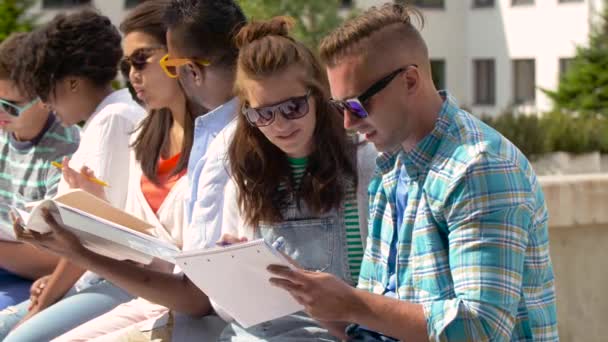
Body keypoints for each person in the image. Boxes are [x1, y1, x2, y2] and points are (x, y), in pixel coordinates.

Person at [266, 3, 559, 341]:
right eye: (340, 107)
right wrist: (302, 288)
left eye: (358, 105)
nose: (348, 122)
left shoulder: (478, 167)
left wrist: (352, 304)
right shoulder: (391, 165)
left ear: (409, 80)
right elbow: (377, 324)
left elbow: (482, 328)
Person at [11, 1, 247, 341]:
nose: (132, 74)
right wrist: (95, 211)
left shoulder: (219, 140)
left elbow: (191, 283)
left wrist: (80, 239)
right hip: (144, 290)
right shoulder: (144, 135)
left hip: (177, 301)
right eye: (126, 64)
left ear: (178, 58)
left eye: (141, 60)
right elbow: (139, 242)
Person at [214, 16, 378, 341]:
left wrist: (296, 280)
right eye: (263, 113)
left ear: (318, 95)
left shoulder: (364, 157)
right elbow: (225, 307)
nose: (279, 125)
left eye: (293, 107)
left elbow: (382, 301)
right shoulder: (244, 169)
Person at [0, 10, 145, 341]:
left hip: (119, 280)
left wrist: (43, 304)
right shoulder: (106, 118)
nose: (47, 103)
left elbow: (92, 235)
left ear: (73, 83)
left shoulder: (113, 121)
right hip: (96, 276)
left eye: (44, 90)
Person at [0, 32, 80, 310]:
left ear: (45, 98)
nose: (1, 113)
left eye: (10, 105)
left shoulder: (69, 151)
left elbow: (62, 259)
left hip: (29, 280)